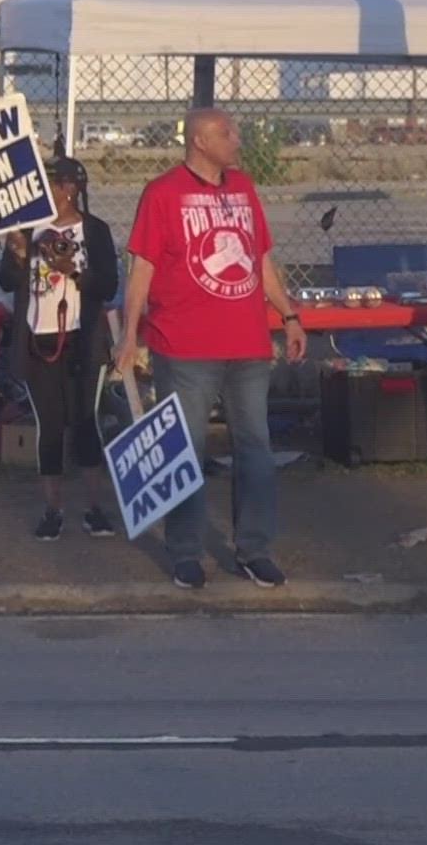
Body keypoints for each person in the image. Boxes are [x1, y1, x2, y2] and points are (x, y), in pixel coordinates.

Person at [115, 107, 306, 590]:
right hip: (184, 347)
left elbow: (260, 258)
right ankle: (185, 553)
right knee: (186, 452)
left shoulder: (242, 188)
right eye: (227, 132)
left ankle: (254, 549)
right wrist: (127, 336)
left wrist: (289, 314)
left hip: (247, 345)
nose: (237, 139)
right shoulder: (163, 193)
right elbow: (141, 269)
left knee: (255, 449)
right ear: (199, 140)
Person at [0, 156, 120, 540]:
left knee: (85, 421)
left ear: (69, 189)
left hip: (82, 338)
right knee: (48, 426)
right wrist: (16, 253)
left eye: (48, 183)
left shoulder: (94, 230)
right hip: (38, 337)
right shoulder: (27, 229)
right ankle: (53, 509)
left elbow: (109, 287)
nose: (39, 191)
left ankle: (95, 508)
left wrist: (74, 271)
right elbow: (5, 282)